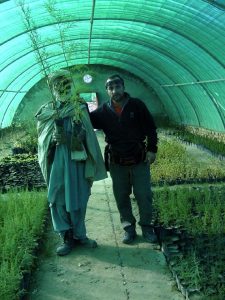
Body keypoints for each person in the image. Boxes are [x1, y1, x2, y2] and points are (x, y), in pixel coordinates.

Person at [35, 69, 107, 256]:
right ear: (52, 87)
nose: (62, 85)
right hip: (57, 162)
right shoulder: (47, 110)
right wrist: (52, 139)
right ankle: (66, 237)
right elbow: (42, 140)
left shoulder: (78, 107)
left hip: (76, 161)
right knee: (57, 198)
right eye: (57, 82)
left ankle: (80, 235)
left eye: (65, 81)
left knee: (79, 196)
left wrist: (73, 137)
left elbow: (88, 135)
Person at [90, 74, 158, 244]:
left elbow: (151, 128)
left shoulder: (137, 105)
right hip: (117, 160)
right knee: (121, 195)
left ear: (123, 87)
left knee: (144, 194)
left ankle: (147, 227)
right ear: (107, 91)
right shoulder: (103, 111)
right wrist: (78, 108)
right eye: (111, 88)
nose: (115, 91)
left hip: (139, 158)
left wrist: (152, 149)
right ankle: (129, 229)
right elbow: (87, 121)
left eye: (117, 87)